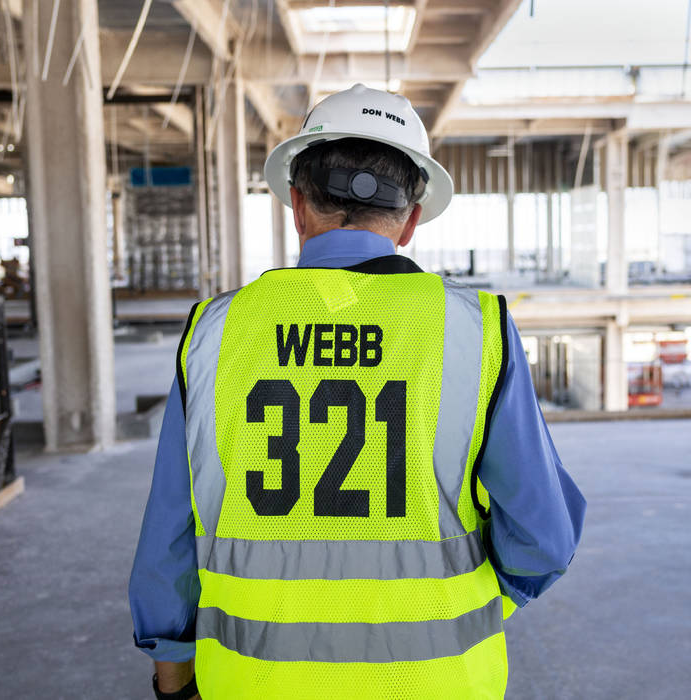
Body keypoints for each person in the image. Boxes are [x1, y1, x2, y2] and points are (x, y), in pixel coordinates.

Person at [129, 84, 586, 700]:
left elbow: (169, 540)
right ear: (413, 220)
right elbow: (544, 538)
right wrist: (474, 597)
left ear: (296, 203)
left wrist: (173, 679)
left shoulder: (214, 333)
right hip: (436, 684)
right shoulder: (475, 330)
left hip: (253, 684)